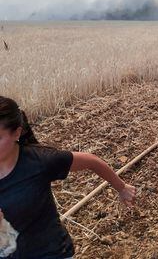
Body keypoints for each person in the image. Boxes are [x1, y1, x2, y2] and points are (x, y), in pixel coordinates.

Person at [0, 96, 136, 259]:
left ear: (17, 133)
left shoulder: (40, 162)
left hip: (50, 253)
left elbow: (91, 161)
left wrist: (122, 188)